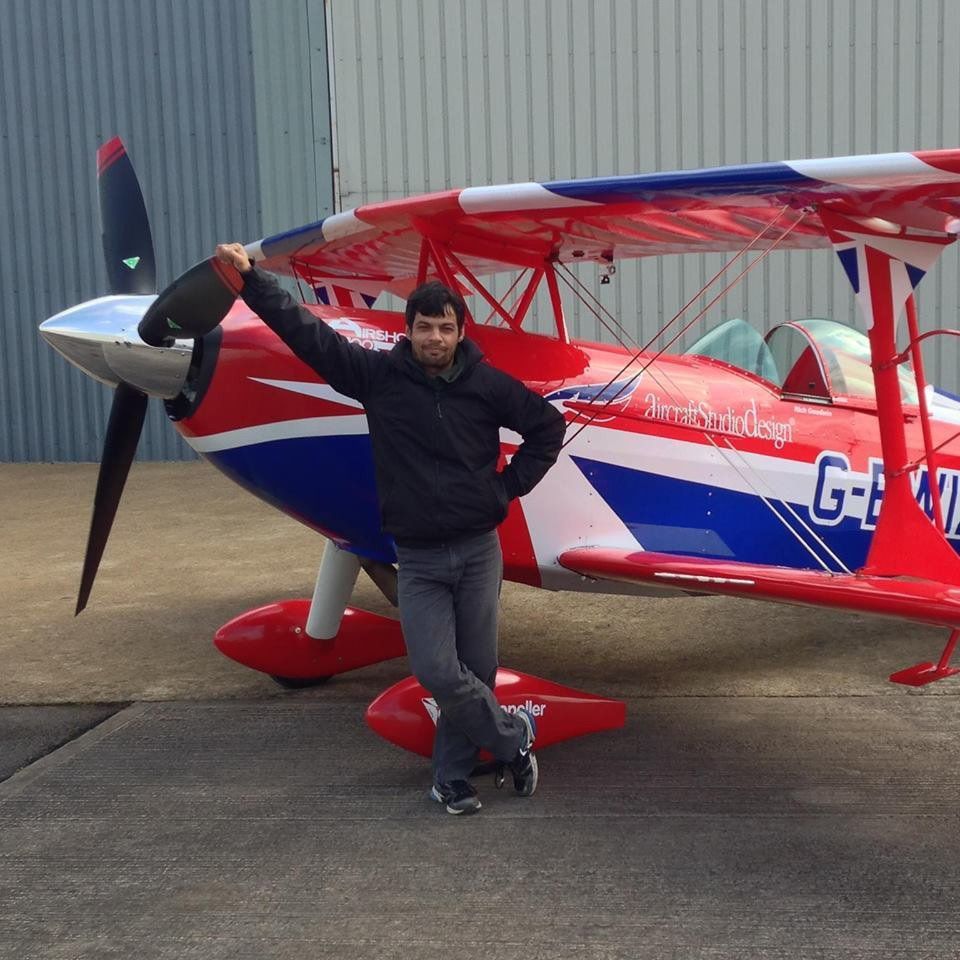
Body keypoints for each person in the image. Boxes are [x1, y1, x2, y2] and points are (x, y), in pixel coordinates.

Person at [214, 243, 566, 814]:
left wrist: (503, 490)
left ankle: (451, 779)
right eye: (424, 327)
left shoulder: (487, 385)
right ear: (409, 331)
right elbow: (309, 337)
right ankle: (513, 739)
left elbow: (548, 428)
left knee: (476, 671)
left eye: (445, 328)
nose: (435, 338)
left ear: (460, 333)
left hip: (479, 550)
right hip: (419, 558)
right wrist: (253, 282)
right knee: (437, 670)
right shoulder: (378, 378)